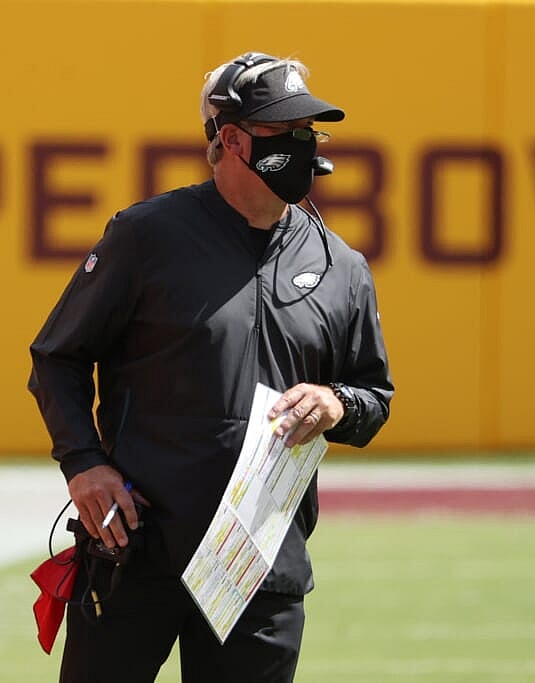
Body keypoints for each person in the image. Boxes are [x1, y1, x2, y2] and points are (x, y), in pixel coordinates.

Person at [28, 52, 394, 683]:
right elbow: (57, 356)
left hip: (259, 563)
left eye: (310, 131)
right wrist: (84, 464)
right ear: (230, 140)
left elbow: (374, 397)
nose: (305, 145)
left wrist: (338, 403)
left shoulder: (343, 266)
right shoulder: (145, 237)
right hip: (135, 548)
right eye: (285, 132)